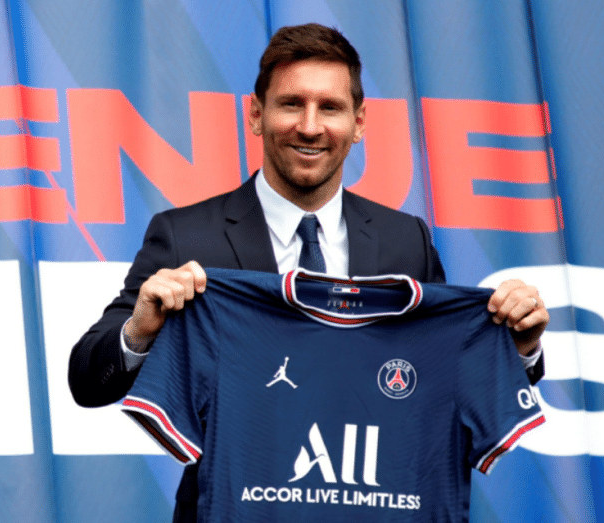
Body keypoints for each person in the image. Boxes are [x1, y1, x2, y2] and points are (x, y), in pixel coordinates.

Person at [69, 22, 549, 523]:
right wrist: (140, 331)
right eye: (291, 104)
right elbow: (86, 381)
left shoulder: (406, 241)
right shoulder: (186, 237)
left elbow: (449, 379)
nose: (310, 126)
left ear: (359, 123)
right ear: (256, 115)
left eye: (330, 108)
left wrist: (520, 349)